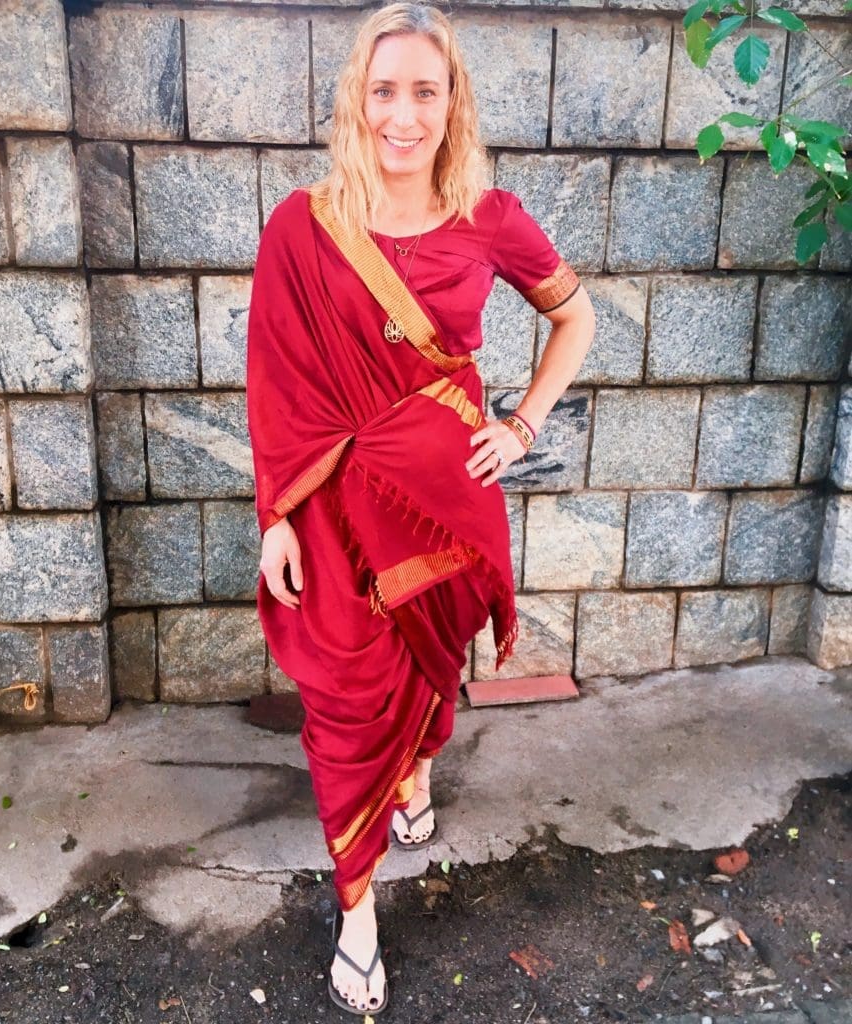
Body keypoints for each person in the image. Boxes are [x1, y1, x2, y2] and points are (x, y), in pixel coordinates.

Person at [245, 1, 595, 1014]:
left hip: (447, 504)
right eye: (384, 89)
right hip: (329, 508)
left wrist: (521, 425)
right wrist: (275, 515)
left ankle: (413, 775)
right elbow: (274, 378)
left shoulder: (488, 214)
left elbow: (572, 317)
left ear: (452, 104)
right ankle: (356, 908)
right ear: (358, 97)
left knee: (429, 672)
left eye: (424, 92)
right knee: (348, 700)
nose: (402, 114)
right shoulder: (300, 226)